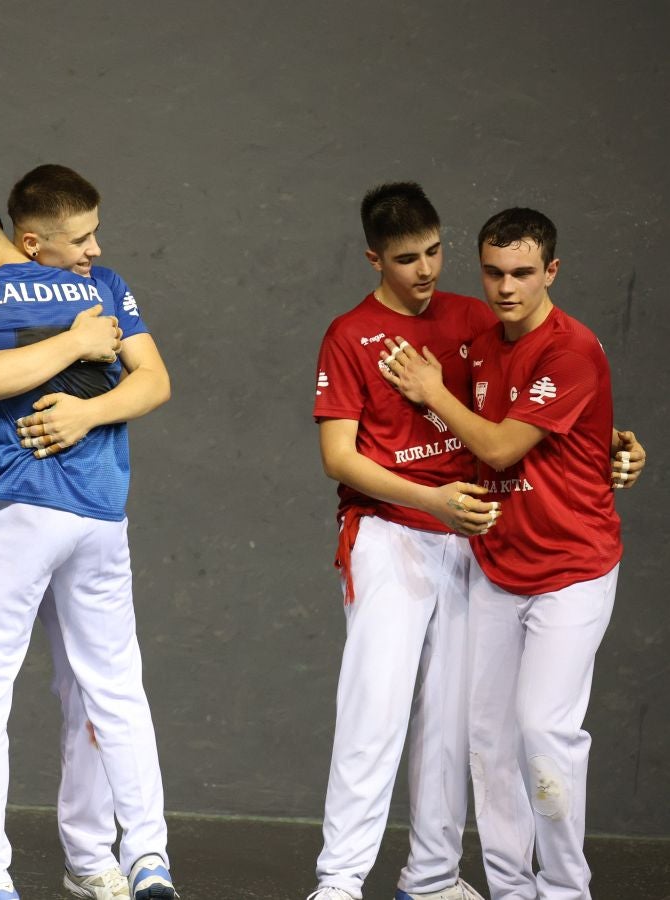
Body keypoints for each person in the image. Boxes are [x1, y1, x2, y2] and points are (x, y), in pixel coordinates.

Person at [0, 188, 176, 900]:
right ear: (33, 240)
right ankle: (140, 856)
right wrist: (79, 343)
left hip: (25, 511)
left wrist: (84, 413)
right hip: (82, 512)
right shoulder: (97, 291)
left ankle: (2, 875)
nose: (94, 250)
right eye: (82, 235)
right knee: (107, 689)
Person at [380, 207, 632, 900]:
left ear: (551, 270)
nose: (506, 286)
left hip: (573, 571)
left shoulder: (570, 349)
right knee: (488, 740)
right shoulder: (485, 346)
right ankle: (513, 890)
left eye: (522, 272)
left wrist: (430, 391)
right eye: (493, 271)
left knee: (543, 730)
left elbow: (498, 446)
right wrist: (619, 443)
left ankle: (565, 890)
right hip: (498, 567)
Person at [307, 182, 497, 900]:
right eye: (408, 258)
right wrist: (433, 499)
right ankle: (339, 881)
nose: (426, 270)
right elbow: (339, 456)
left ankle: (433, 876)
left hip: (470, 539)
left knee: (451, 720)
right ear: (373, 258)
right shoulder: (350, 335)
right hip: (387, 536)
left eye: (436, 251)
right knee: (375, 710)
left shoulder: (474, 319)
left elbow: (518, 414)